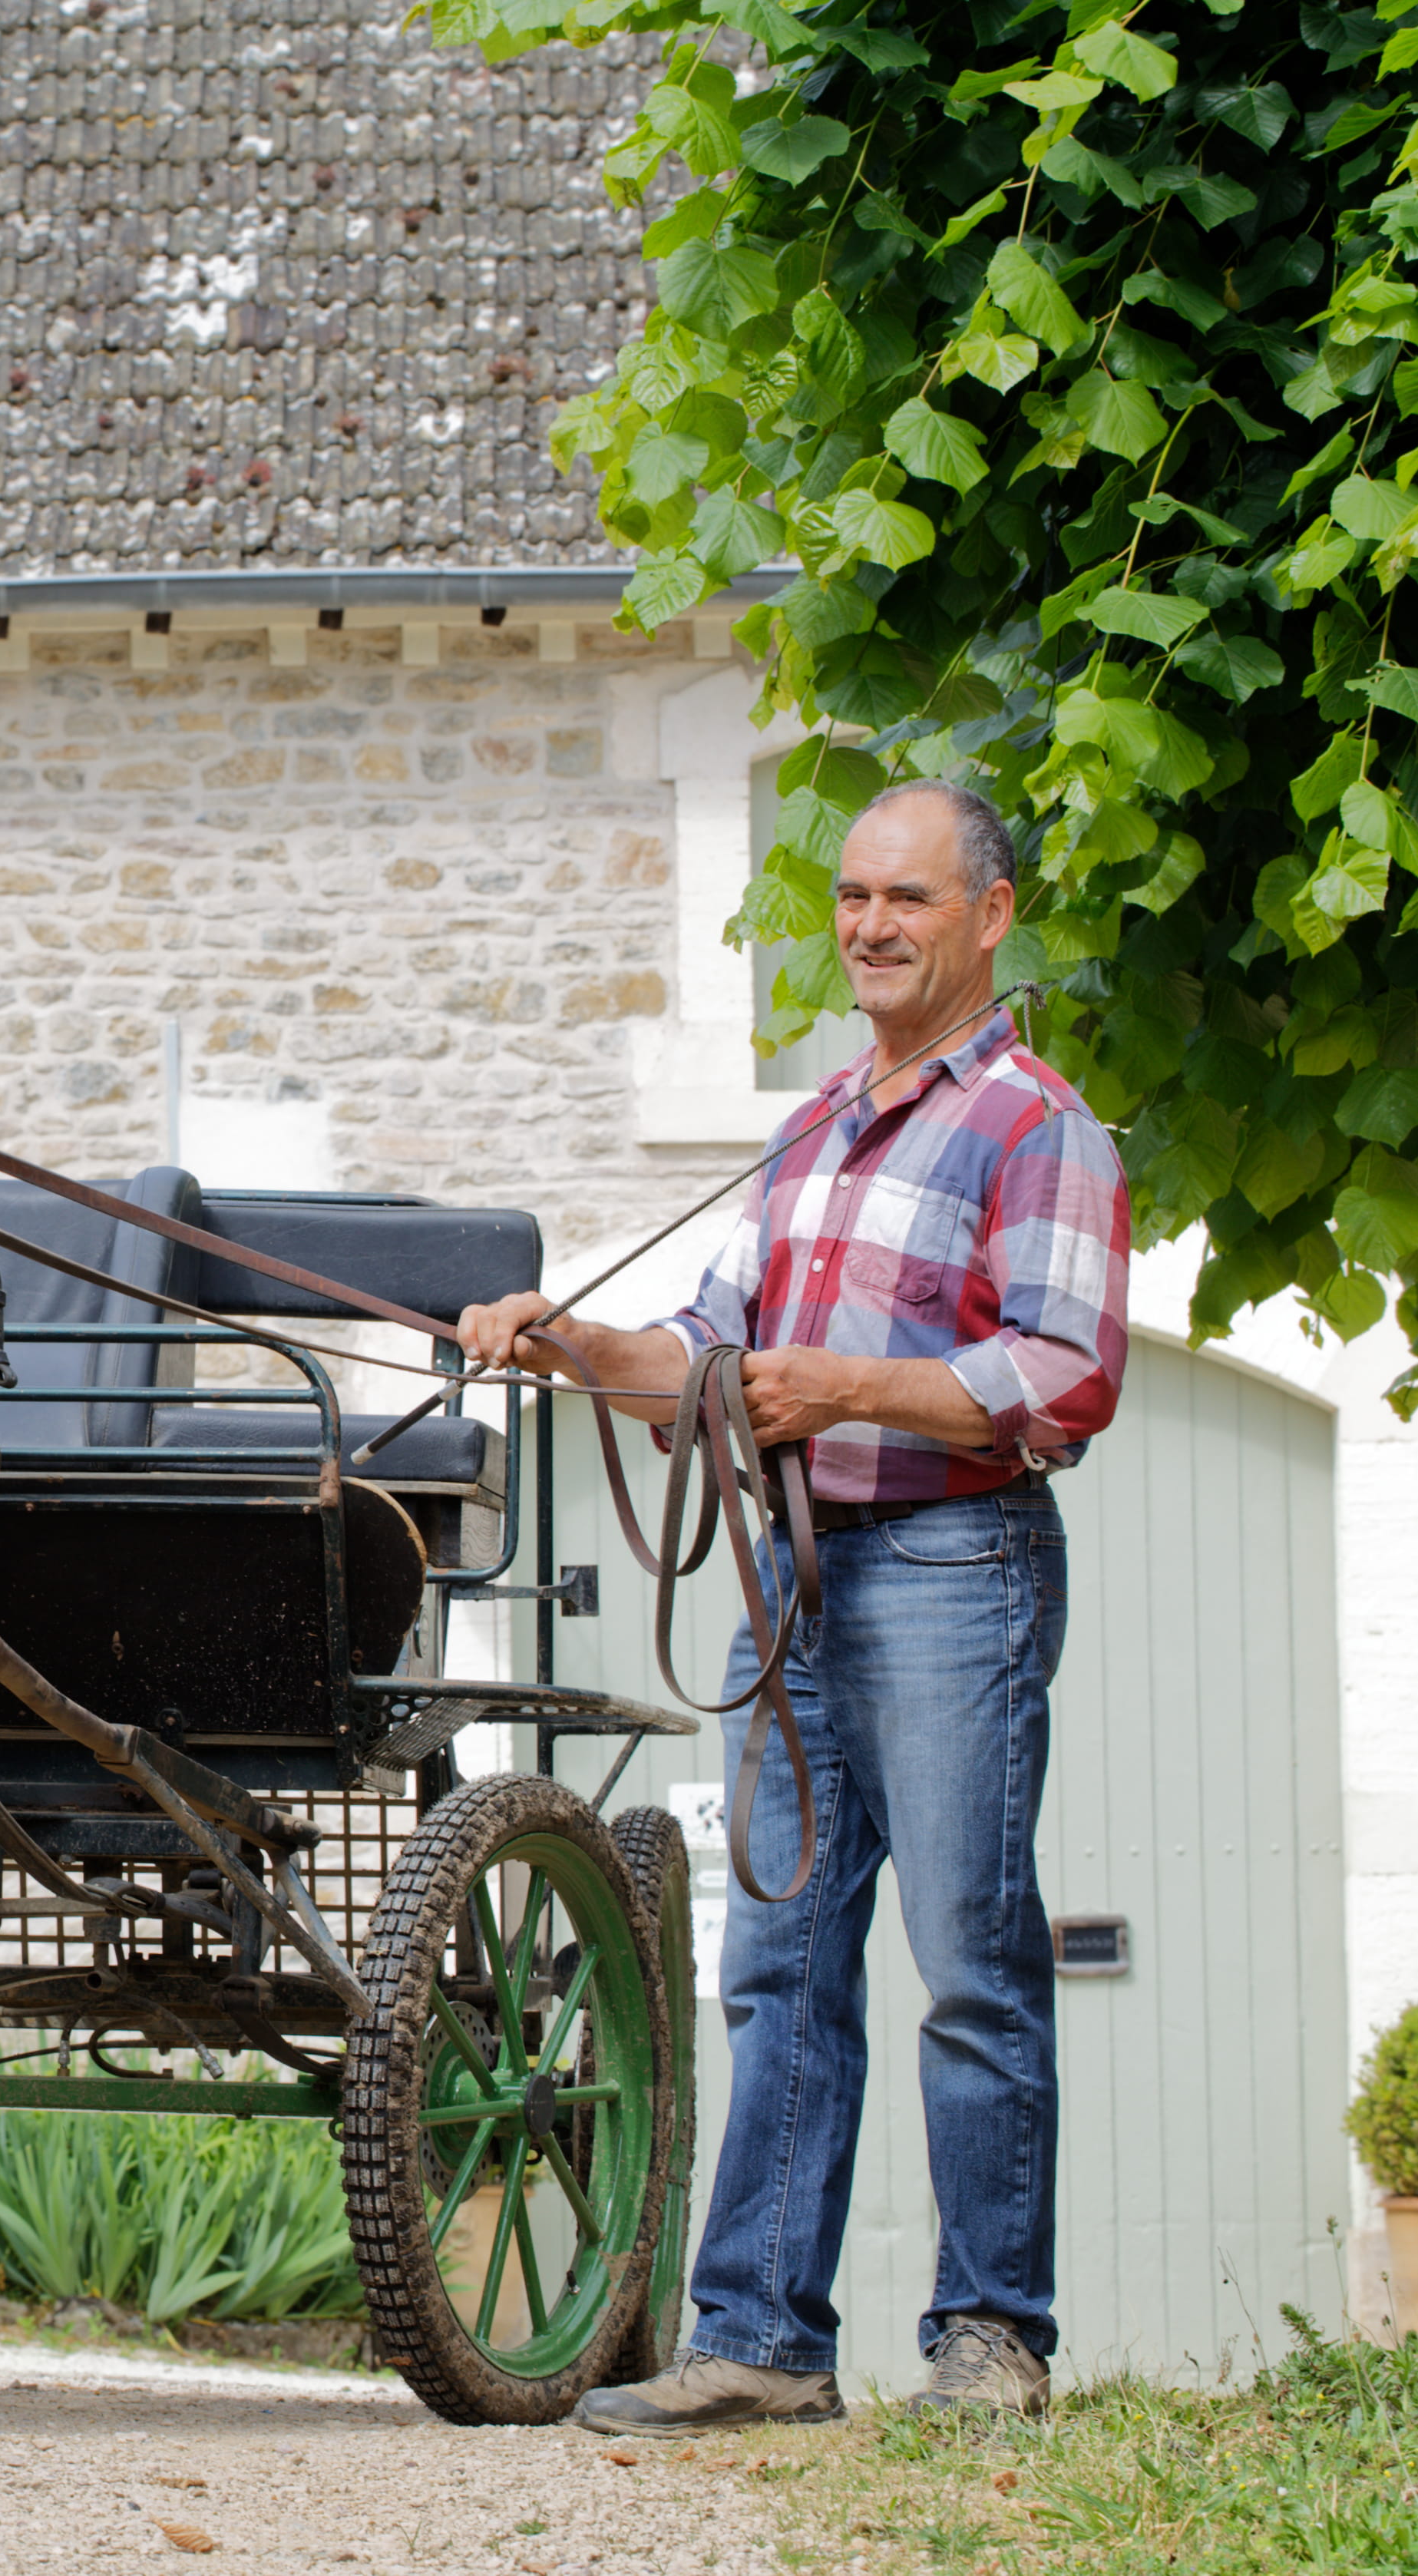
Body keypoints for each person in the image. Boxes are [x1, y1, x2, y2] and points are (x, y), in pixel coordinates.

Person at [456, 779, 1129, 2430]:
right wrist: (568, 1344)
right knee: (780, 1964)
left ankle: (991, 2339)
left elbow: (1067, 1372)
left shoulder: (1039, 1125)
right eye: (850, 897)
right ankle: (760, 2341)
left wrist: (851, 1386)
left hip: (956, 1571)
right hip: (792, 1584)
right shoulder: (808, 1128)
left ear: (991, 913)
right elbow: (704, 1362)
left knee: (968, 1957)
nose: (871, 926)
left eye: (907, 897)